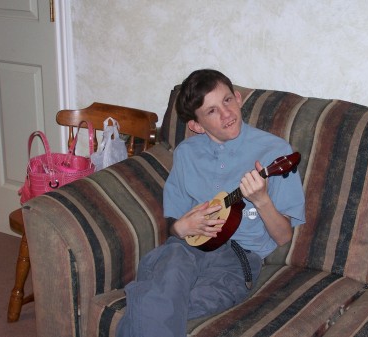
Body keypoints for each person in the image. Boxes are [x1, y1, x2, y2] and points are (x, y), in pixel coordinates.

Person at [116, 69, 305, 337]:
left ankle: (147, 295)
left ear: (238, 98)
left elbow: (284, 237)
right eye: (212, 111)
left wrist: (262, 200)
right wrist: (179, 228)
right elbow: (174, 224)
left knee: (157, 301)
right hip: (184, 251)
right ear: (196, 126)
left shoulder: (276, 153)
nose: (227, 114)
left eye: (227, 101)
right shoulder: (186, 154)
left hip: (238, 259)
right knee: (165, 289)